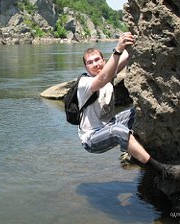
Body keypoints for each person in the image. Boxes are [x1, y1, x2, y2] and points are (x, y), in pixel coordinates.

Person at [77, 32, 180, 180]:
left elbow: (125, 56)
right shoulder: (84, 83)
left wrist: (137, 36)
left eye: (97, 60)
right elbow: (103, 77)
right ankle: (162, 170)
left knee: (139, 112)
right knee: (117, 131)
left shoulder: (108, 72)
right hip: (91, 139)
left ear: (104, 60)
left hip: (108, 124)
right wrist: (117, 49)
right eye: (90, 62)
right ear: (85, 67)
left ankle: (136, 149)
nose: (95, 64)